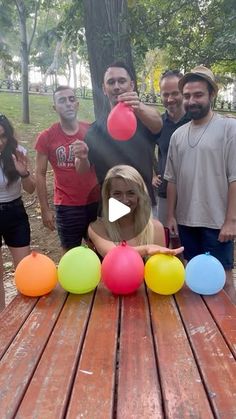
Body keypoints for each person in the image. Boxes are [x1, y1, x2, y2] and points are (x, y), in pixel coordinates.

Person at [164, 65, 236, 302]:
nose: (191, 100)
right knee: (192, 278)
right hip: (186, 221)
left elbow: (234, 178)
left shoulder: (229, 128)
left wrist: (230, 221)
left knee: (223, 280)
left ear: (211, 95)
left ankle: (229, 334)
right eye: (187, 96)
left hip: (217, 223)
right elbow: (172, 179)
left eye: (198, 95)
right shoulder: (178, 135)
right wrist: (172, 216)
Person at [74, 61, 163, 209]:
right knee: (114, 233)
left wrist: (138, 106)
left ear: (132, 85)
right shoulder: (95, 130)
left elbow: (158, 124)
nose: (117, 87)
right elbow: (82, 169)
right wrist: (81, 158)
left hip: (143, 201)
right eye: (111, 82)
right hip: (113, 205)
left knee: (147, 233)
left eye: (122, 81)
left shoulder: (144, 119)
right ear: (104, 88)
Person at [35, 86, 99, 253]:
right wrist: (45, 209)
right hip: (67, 206)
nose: (68, 104)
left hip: (95, 201)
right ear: (55, 107)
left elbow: (92, 166)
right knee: (71, 255)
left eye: (71, 99)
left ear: (77, 104)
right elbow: (40, 174)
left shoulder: (91, 131)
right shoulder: (46, 137)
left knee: (99, 252)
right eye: (62, 101)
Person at [88, 165, 184, 258]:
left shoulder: (155, 228)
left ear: (140, 196)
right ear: (108, 196)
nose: (124, 200)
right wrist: (146, 249)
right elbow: (112, 254)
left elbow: (160, 271)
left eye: (131, 193)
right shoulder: (97, 228)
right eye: (117, 194)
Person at [0, 114, 35, 310]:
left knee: (23, 270)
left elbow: (31, 189)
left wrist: (24, 173)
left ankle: (23, 318)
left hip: (15, 212)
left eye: (3, 136)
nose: (0, 142)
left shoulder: (18, 153)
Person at [153, 70, 190, 226]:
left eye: (175, 93)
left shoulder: (195, 120)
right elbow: (145, 149)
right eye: (165, 94)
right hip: (164, 193)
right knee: (164, 239)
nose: (170, 99)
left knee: (187, 243)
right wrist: (151, 174)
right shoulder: (157, 123)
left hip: (191, 193)